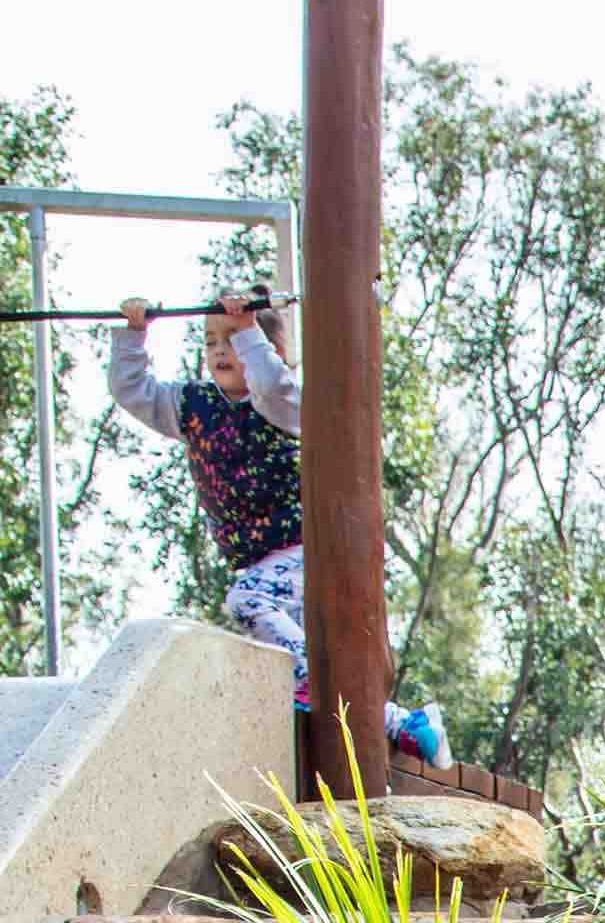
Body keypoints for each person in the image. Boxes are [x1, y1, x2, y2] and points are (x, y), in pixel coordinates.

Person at [105, 292, 445, 766]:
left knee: (247, 602)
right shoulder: (192, 406)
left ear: (267, 348)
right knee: (319, 660)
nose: (220, 350)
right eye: (211, 341)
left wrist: (248, 329)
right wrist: (133, 334)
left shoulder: (281, 404)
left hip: (307, 549)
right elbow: (133, 392)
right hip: (261, 560)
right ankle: (403, 725)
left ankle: (324, 693)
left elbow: (270, 382)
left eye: (232, 339)